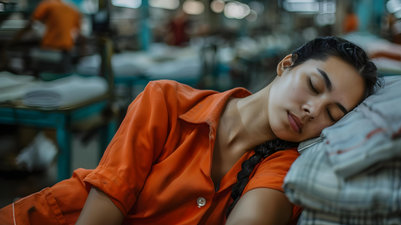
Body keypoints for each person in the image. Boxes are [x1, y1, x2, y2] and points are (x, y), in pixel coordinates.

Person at [0, 36, 379, 225]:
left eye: (333, 113)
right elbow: (103, 210)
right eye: (314, 86)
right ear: (285, 65)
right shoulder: (164, 100)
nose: (313, 110)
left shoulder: (282, 168)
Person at [4, 0, 83, 73]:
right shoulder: (73, 9)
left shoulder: (47, 5)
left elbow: (31, 24)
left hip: (50, 50)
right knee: (62, 79)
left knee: (45, 77)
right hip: (66, 51)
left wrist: (15, 39)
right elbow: (78, 33)